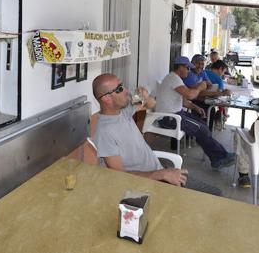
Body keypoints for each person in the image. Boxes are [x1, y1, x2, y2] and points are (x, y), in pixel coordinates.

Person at [92, 73, 221, 195]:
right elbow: (118, 175)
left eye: (123, 85)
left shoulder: (122, 110)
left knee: (215, 194)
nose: (126, 90)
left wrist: (144, 95)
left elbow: (152, 103)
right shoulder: (104, 132)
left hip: (160, 171)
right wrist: (161, 175)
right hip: (149, 182)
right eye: (119, 89)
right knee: (213, 197)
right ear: (107, 99)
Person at [155, 56, 235, 168]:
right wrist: (201, 87)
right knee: (201, 129)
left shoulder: (175, 78)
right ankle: (220, 158)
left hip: (175, 115)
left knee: (203, 126)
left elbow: (183, 101)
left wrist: (195, 108)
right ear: (181, 67)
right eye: (187, 68)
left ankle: (218, 157)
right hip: (169, 118)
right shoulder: (173, 78)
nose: (188, 71)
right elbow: (190, 95)